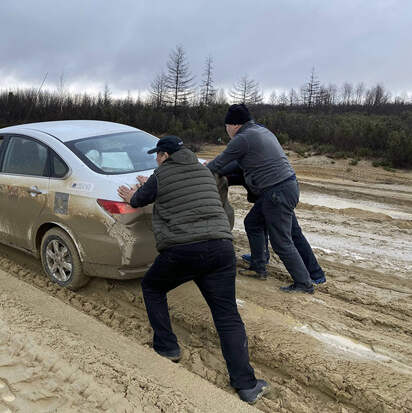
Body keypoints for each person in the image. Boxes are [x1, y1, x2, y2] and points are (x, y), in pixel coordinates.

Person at [117, 136, 268, 404]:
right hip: (221, 249)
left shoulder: (161, 174)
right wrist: (151, 185)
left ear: (163, 156)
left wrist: (135, 193)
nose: (156, 159)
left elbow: (139, 200)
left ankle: (167, 347)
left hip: (182, 250)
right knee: (227, 314)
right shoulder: (204, 170)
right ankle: (246, 385)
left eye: (157, 155)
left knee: (152, 287)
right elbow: (184, 192)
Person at [207, 104, 324, 293]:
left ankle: (304, 283)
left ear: (234, 125)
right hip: (287, 186)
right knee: (254, 223)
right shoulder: (260, 130)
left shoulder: (242, 139)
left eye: (226, 126)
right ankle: (258, 265)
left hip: (276, 193)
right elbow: (239, 163)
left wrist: (196, 171)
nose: (226, 130)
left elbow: (219, 163)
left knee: (282, 241)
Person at [220, 160, 326, 284]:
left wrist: (213, 168)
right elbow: (238, 176)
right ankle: (261, 259)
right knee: (257, 223)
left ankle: (315, 273)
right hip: (275, 193)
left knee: (290, 233)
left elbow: (230, 167)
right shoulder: (252, 156)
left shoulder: (246, 155)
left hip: (275, 195)